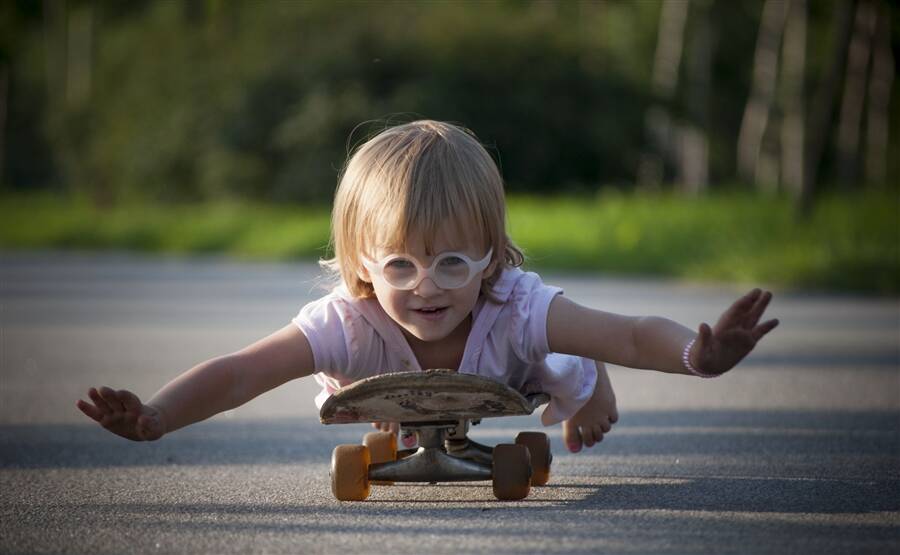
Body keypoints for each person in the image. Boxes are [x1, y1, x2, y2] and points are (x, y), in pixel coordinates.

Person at [76, 120, 779, 454]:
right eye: (400, 266)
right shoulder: (345, 323)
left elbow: (626, 332)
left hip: (516, 375)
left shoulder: (515, 304)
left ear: (490, 257)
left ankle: (588, 387)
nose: (427, 288)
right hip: (387, 388)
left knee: (571, 361)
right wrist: (159, 414)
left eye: (452, 262)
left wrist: (695, 354)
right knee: (367, 394)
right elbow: (240, 374)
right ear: (361, 266)